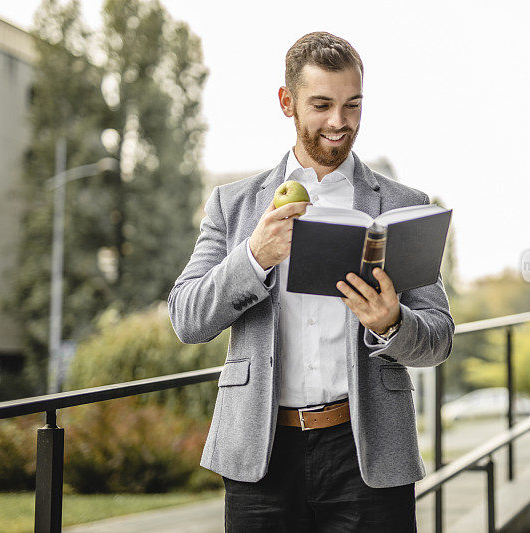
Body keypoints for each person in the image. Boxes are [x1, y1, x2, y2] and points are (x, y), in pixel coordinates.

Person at [168, 31, 454, 532]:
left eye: (352, 105)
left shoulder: (403, 204)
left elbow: (439, 339)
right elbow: (187, 318)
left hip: (367, 453)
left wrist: (392, 323)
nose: (339, 123)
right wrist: (254, 256)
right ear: (287, 102)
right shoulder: (233, 206)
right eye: (321, 105)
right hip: (262, 454)